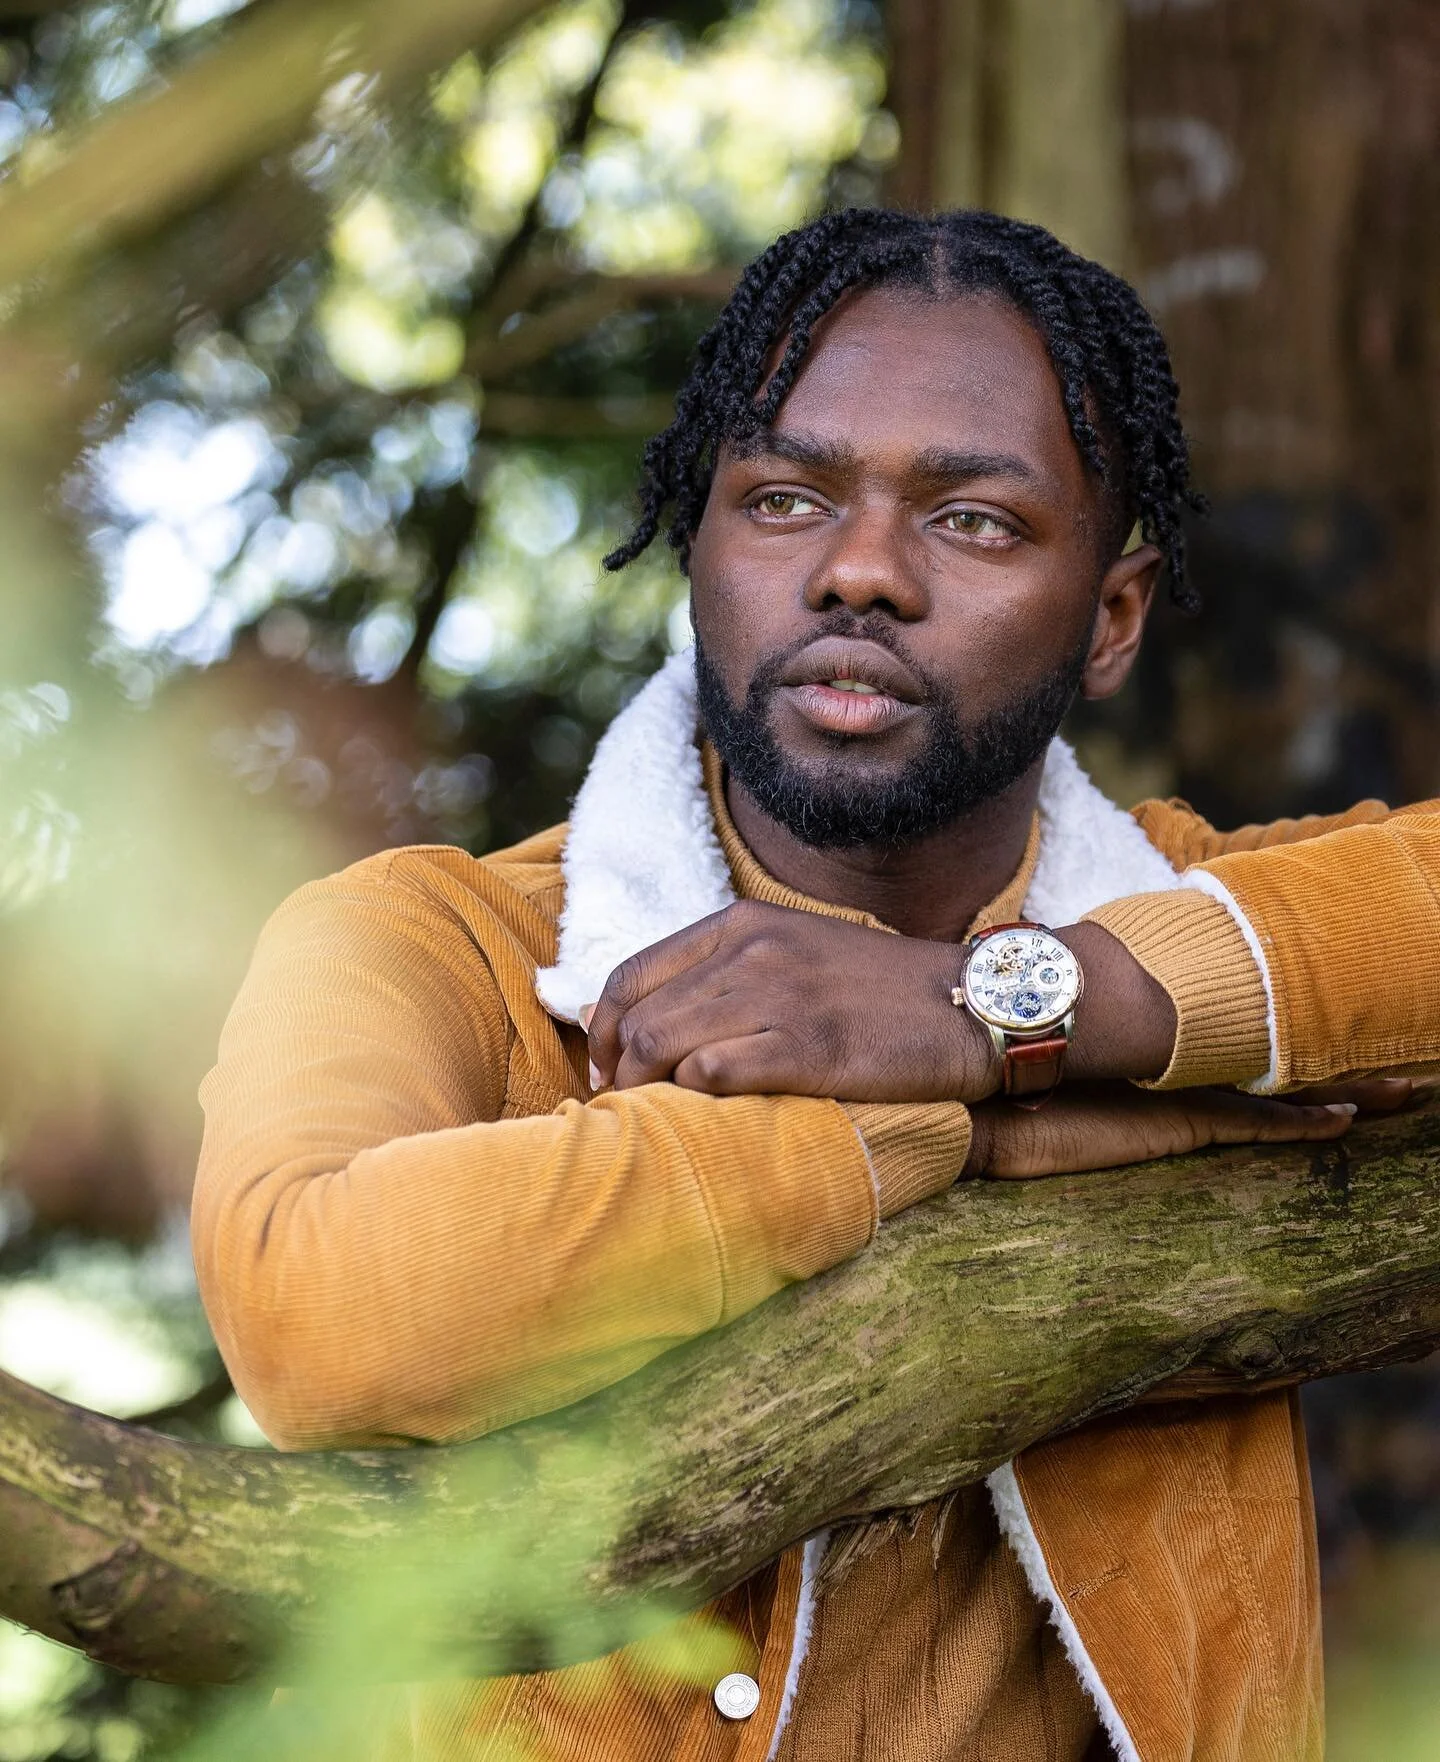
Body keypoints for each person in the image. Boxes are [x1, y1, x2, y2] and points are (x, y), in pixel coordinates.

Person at [192, 208, 1440, 1762]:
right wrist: (959, 1120)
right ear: (698, 543)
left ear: (1111, 618)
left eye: (973, 520)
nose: (860, 571)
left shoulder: (1181, 911)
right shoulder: (435, 941)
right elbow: (310, 1301)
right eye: (782, 497)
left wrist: (986, 1008)